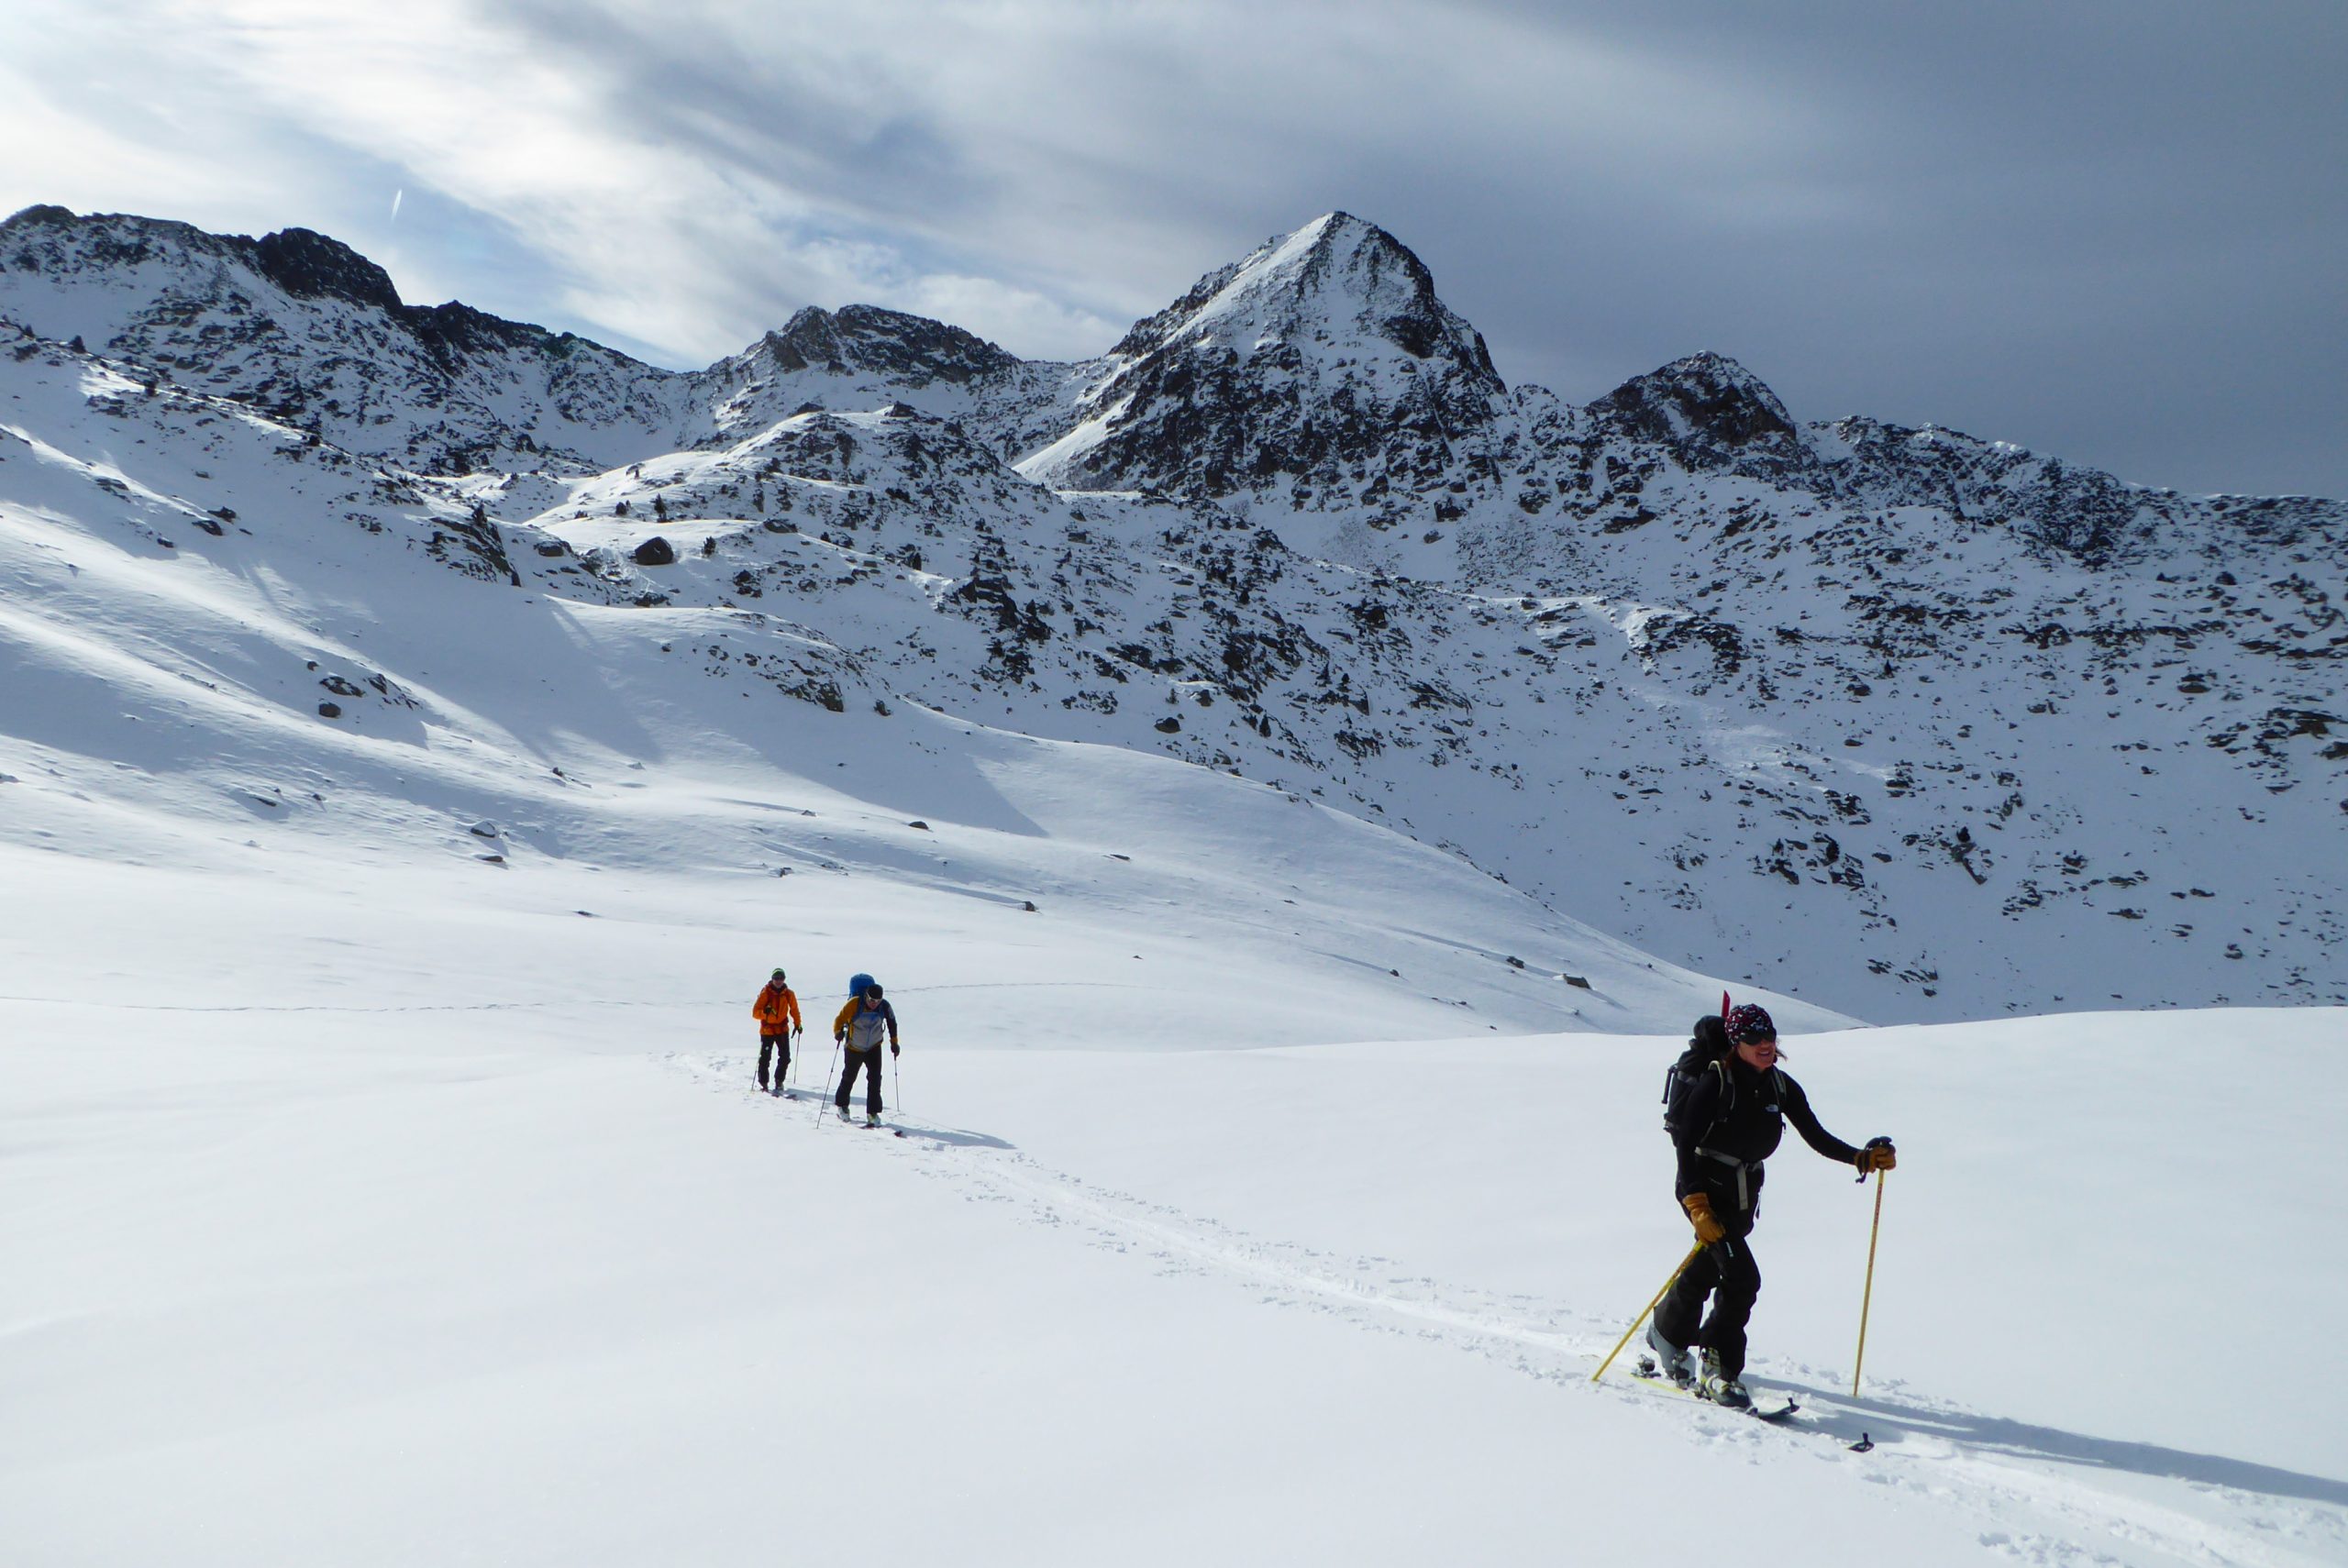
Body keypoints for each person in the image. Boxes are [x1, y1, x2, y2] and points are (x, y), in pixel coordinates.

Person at [1647, 1001, 1896, 1408]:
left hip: (1743, 1193)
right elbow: (1685, 1146)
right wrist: (1696, 1204)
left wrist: (1861, 1158)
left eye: (1769, 1037)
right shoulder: (1716, 1083)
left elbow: (1815, 1135)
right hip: (1705, 1190)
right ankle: (1718, 1367)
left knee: (1713, 1264)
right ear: (1735, 1042)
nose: (1765, 1045)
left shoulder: (1780, 1086)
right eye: (1753, 1039)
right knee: (1743, 1277)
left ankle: (1667, 1333)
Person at [831, 980, 900, 1124]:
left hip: (874, 1047)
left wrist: (894, 1042)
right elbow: (840, 1019)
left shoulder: (885, 1006)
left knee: (875, 1080)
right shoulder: (854, 1003)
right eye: (871, 1000)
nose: (874, 1003)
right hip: (854, 1047)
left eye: (877, 1001)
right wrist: (838, 1032)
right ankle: (842, 1106)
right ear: (866, 996)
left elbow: (892, 1023)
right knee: (849, 1077)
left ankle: (872, 1113)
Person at [753, 968, 802, 1096]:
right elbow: (755, 1013)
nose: (779, 981)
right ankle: (764, 1083)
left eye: (781, 978)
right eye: (776, 978)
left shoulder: (789, 994)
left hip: (782, 1029)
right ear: (772, 979)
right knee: (765, 1058)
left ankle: (779, 1081)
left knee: (785, 1057)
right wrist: (765, 1013)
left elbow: (794, 1010)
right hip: (767, 1030)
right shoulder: (765, 993)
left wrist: (798, 1024)